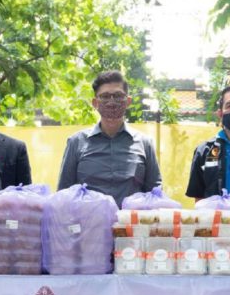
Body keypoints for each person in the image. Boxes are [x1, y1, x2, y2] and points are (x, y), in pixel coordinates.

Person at [57, 71, 161, 207]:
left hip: (130, 220)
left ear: (128, 101)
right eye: (105, 96)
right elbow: (63, 195)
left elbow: (155, 194)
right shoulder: (76, 142)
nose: (111, 102)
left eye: (118, 96)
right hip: (89, 220)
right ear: (95, 103)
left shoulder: (144, 143)